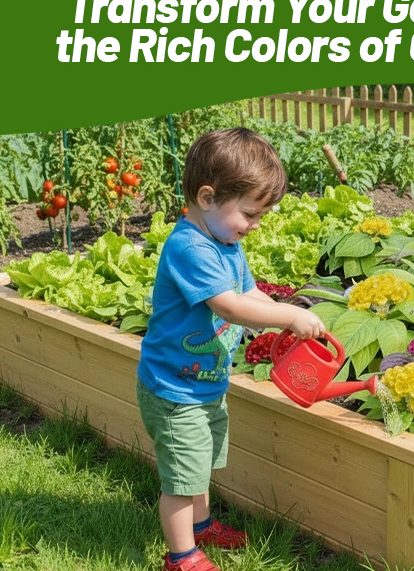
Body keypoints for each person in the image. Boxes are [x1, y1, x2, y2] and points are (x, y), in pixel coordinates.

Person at [137, 128, 326, 571]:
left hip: (204, 384)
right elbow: (229, 305)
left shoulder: (227, 243)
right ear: (207, 197)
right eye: (249, 214)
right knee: (181, 482)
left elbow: (250, 292)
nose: (254, 226)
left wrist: (286, 311)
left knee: (198, 466)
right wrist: (286, 318)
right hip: (173, 390)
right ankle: (181, 556)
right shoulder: (189, 247)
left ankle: (201, 529)